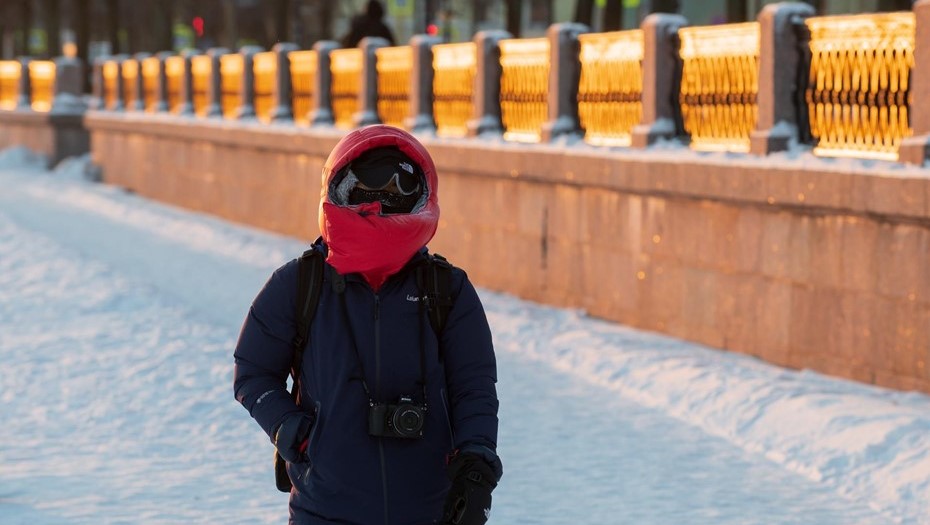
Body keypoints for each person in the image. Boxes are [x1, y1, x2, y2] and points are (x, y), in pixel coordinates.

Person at [233, 124, 502, 525]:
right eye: (368, 188)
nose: (381, 201)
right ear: (339, 188)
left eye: (398, 189)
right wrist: (293, 432)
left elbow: (474, 386)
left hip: (429, 509)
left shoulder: (446, 289)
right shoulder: (299, 285)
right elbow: (253, 372)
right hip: (325, 510)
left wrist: (476, 464)